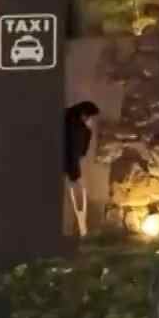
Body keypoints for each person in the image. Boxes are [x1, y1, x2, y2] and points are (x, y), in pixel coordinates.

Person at [64, 101, 100, 236]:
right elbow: (74, 152)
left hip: (71, 169)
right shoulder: (75, 128)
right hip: (69, 169)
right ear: (83, 114)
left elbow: (81, 152)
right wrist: (76, 175)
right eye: (90, 117)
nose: (91, 121)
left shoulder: (79, 127)